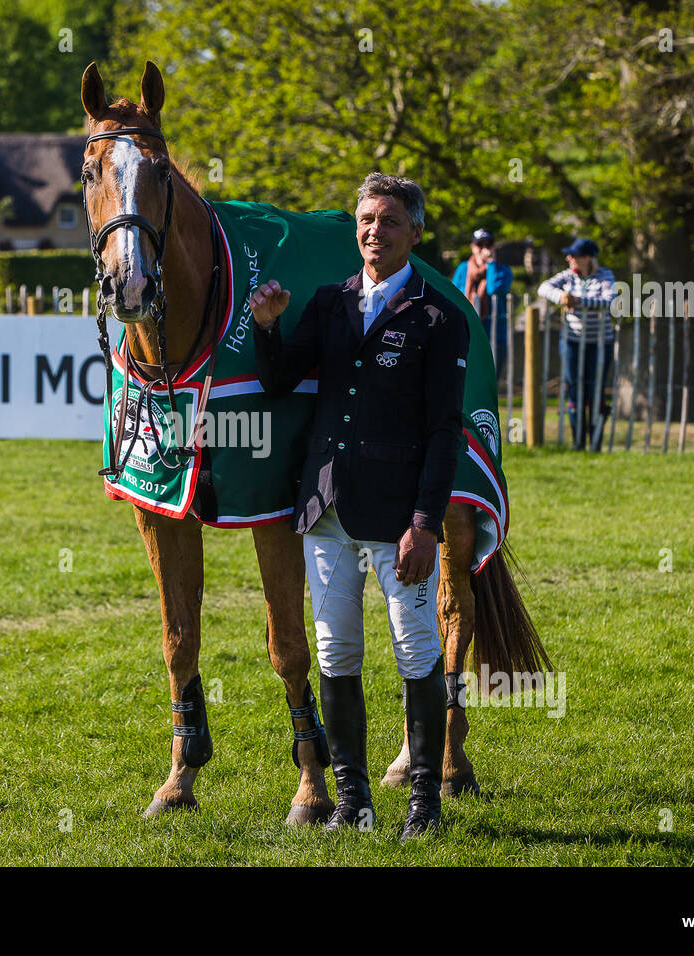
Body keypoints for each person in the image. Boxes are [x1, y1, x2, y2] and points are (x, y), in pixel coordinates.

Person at [249, 173, 468, 842]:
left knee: (414, 650)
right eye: (367, 218)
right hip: (325, 511)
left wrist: (426, 524)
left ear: (416, 233)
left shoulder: (439, 317)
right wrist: (266, 327)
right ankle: (353, 801)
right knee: (336, 651)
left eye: (391, 220)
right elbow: (280, 377)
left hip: (400, 519)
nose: (376, 229)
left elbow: (443, 432)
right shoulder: (329, 301)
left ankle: (424, 806)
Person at [538, 238, 618, 450]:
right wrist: (562, 296)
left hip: (599, 343)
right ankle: (578, 442)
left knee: (596, 390)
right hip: (572, 341)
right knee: (574, 388)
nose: (569, 258)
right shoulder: (567, 276)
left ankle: (596, 442)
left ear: (587, 258)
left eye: (574, 255)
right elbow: (543, 288)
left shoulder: (605, 276)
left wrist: (578, 301)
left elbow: (609, 301)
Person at [452, 228, 513, 379]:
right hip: (467, 334)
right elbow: (453, 297)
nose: (484, 249)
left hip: (494, 334)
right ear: (472, 248)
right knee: (466, 383)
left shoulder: (503, 270)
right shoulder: (463, 269)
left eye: (489, 245)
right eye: (480, 245)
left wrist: (491, 264)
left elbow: (494, 288)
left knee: (490, 381)